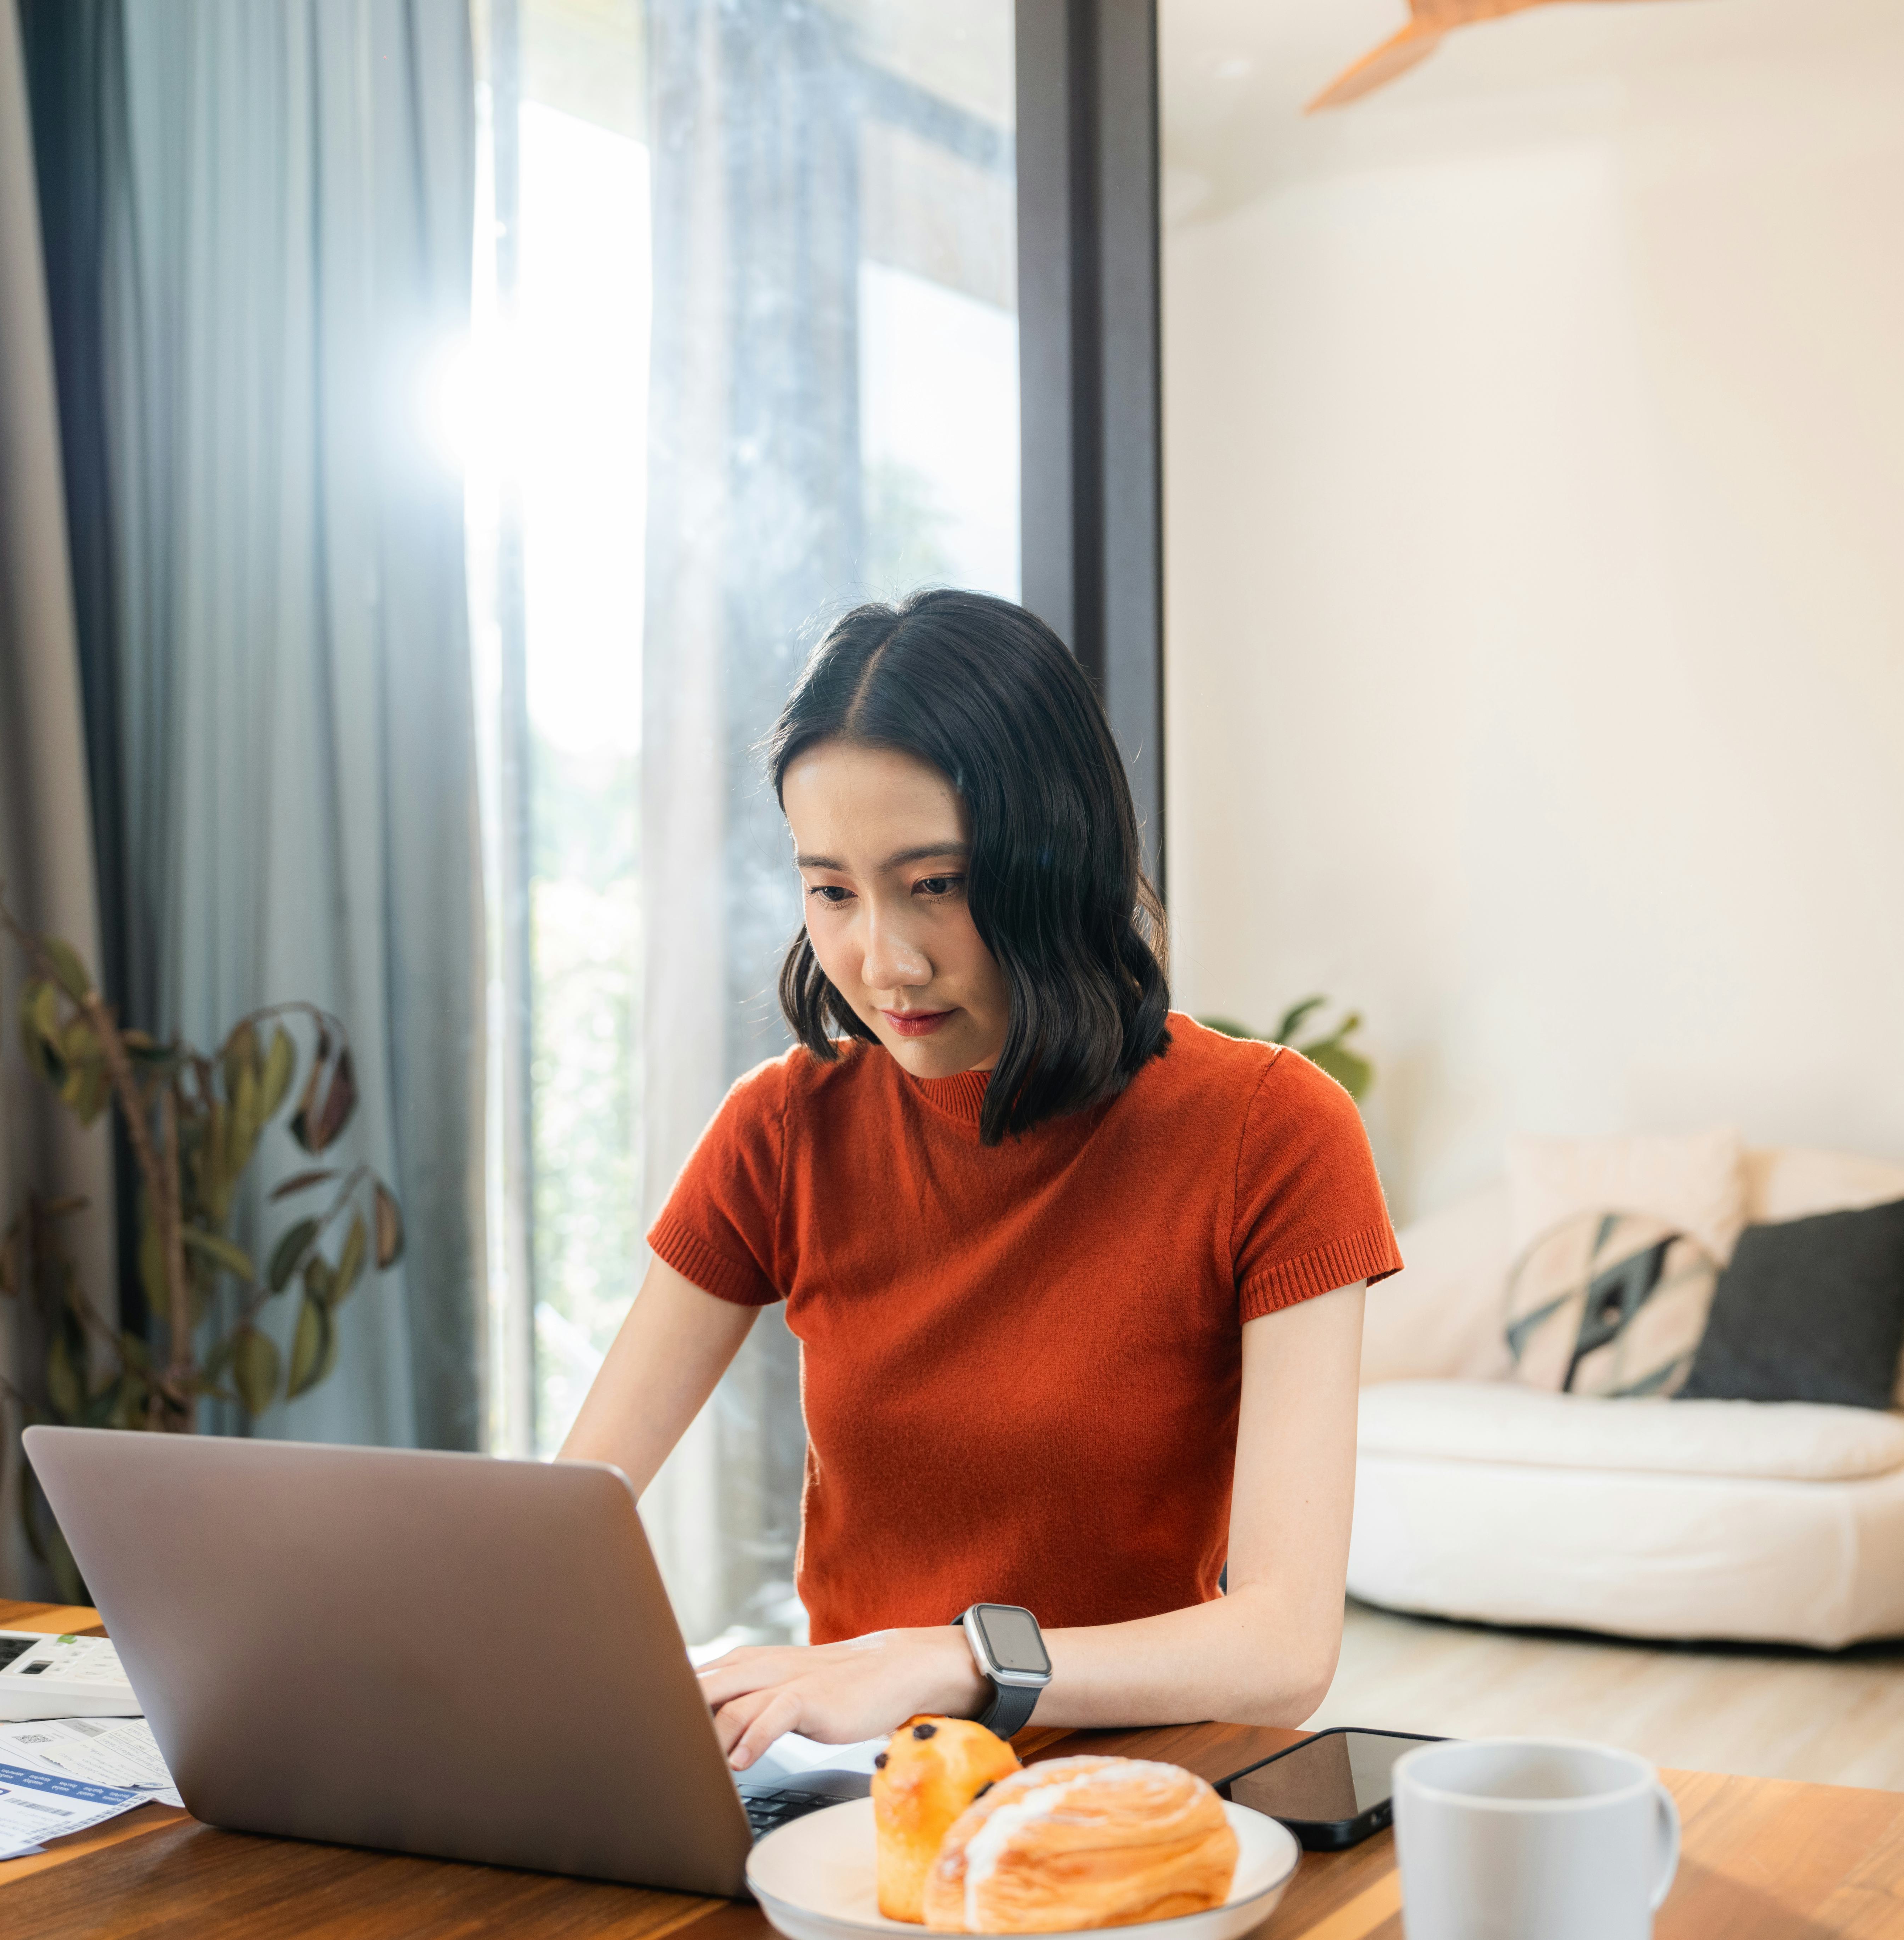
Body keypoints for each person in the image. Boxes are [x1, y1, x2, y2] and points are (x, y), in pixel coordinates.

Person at [560, 589, 1401, 1772]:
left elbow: (1282, 1645)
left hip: (1134, 1792)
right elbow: (563, 1529)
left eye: (937, 885)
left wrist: (951, 1658)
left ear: (1058, 858)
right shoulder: (783, 1129)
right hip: (868, 1799)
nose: (883, 963)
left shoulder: (1271, 1129)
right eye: (833, 892)